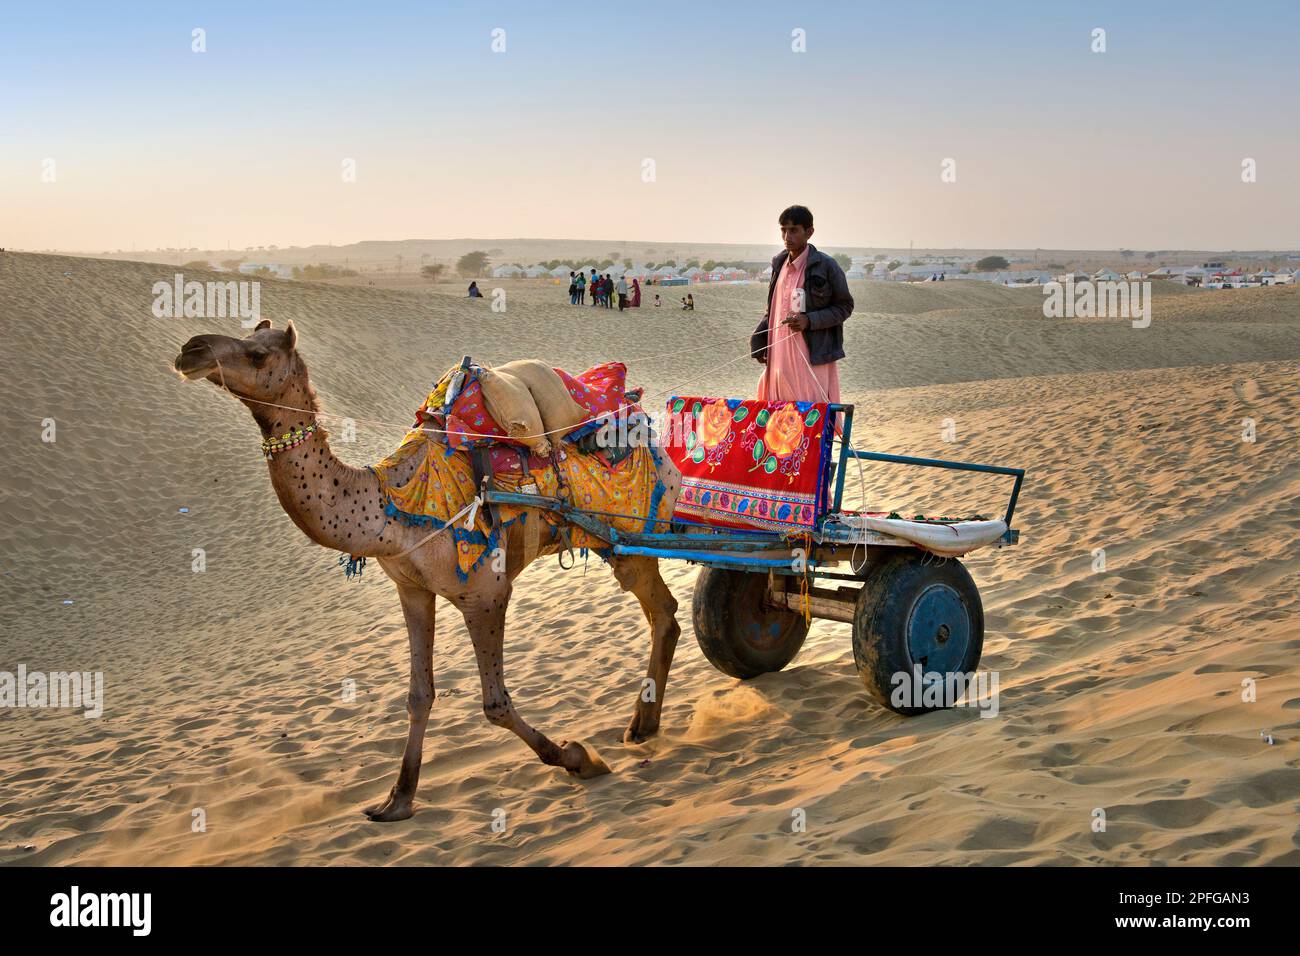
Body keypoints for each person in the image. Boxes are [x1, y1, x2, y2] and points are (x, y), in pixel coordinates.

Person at [749, 204, 853, 413]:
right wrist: (758, 337)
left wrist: (809, 320)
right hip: (779, 355)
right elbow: (774, 309)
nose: (787, 236)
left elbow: (845, 306)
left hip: (811, 356)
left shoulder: (826, 266)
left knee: (810, 414)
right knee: (778, 416)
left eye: (794, 230)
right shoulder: (779, 264)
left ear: (809, 232)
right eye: (783, 230)